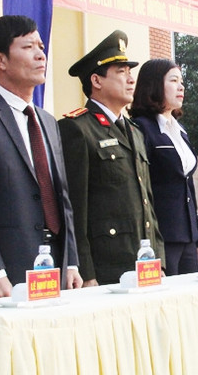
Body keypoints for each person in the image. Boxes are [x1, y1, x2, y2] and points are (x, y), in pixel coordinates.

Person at [0, 15, 81, 298]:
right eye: (28, 47)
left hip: (56, 269)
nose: (40, 55)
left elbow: (62, 199)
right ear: (0, 59)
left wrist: (71, 262)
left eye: (41, 47)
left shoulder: (48, 122)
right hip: (6, 276)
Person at [58, 30, 164, 285]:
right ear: (96, 80)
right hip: (106, 266)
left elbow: (147, 202)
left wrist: (158, 260)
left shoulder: (135, 131)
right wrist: (86, 271)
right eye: (121, 72)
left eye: (130, 72)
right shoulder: (77, 128)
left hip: (145, 263)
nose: (131, 79)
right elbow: (74, 207)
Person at [129, 59, 198, 275]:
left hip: (188, 234)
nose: (181, 87)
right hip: (162, 234)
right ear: (154, 85)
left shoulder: (180, 130)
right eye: (173, 81)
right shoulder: (142, 127)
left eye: (182, 82)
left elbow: (188, 184)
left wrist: (197, 235)